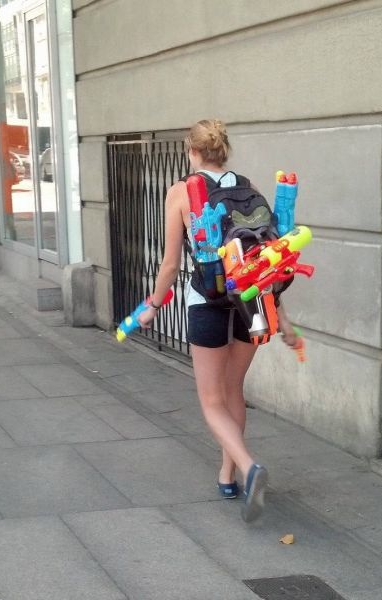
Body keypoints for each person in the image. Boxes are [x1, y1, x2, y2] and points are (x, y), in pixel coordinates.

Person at [138, 119, 299, 522]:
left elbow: (170, 263)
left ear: (191, 151)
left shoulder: (182, 191)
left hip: (207, 299)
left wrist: (153, 305)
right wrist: (284, 321)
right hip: (252, 303)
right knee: (233, 390)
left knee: (212, 401)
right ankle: (227, 476)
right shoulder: (248, 188)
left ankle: (247, 466)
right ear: (223, 150)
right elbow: (265, 258)